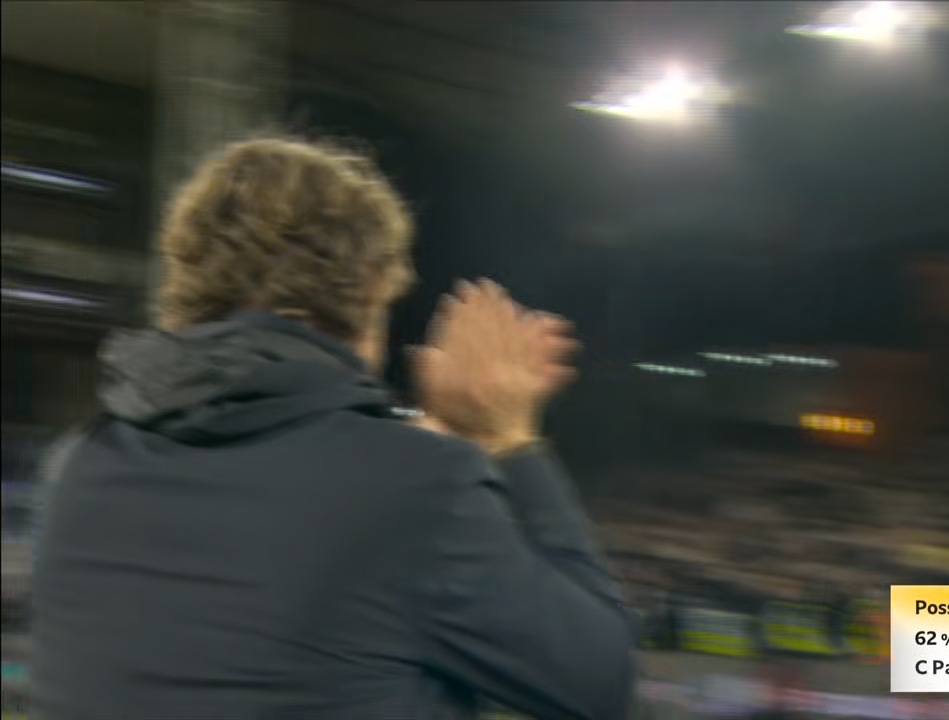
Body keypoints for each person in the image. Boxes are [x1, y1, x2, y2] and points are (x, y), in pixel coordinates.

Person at [30, 137, 635, 720]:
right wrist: (506, 439)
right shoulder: (415, 490)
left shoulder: (77, 467)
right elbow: (599, 681)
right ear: (369, 294)